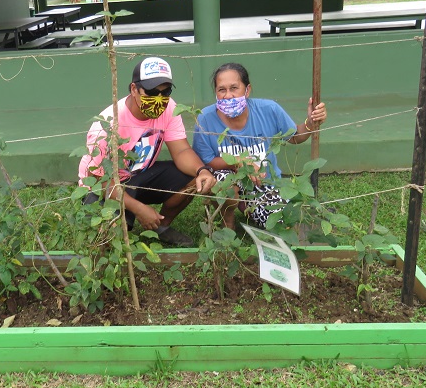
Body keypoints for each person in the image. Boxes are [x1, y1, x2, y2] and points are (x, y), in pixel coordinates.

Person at [78, 57, 217, 247]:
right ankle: (129, 218)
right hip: (103, 186)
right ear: (134, 89)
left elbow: (182, 150)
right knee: (110, 240)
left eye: (166, 91)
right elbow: (98, 180)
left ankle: (161, 226)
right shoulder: (106, 124)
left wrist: (202, 171)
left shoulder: (169, 108)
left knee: (192, 178)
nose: (159, 98)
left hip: (139, 175)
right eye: (151, 92)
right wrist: (139, 209)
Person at [192, 62, 327, 229]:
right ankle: (227, 222)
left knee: (281, 224)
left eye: (234, 88)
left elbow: (295, 137)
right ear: (215, 93)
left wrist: (311, 122)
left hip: (263, 184)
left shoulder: (269, 109)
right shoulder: (205, 119)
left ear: (247, 90)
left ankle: (249, 208)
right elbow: (208, 161)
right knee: (222, 181)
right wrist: (239, 161)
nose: (228, 96)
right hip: (230, 179)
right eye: (222, 90)